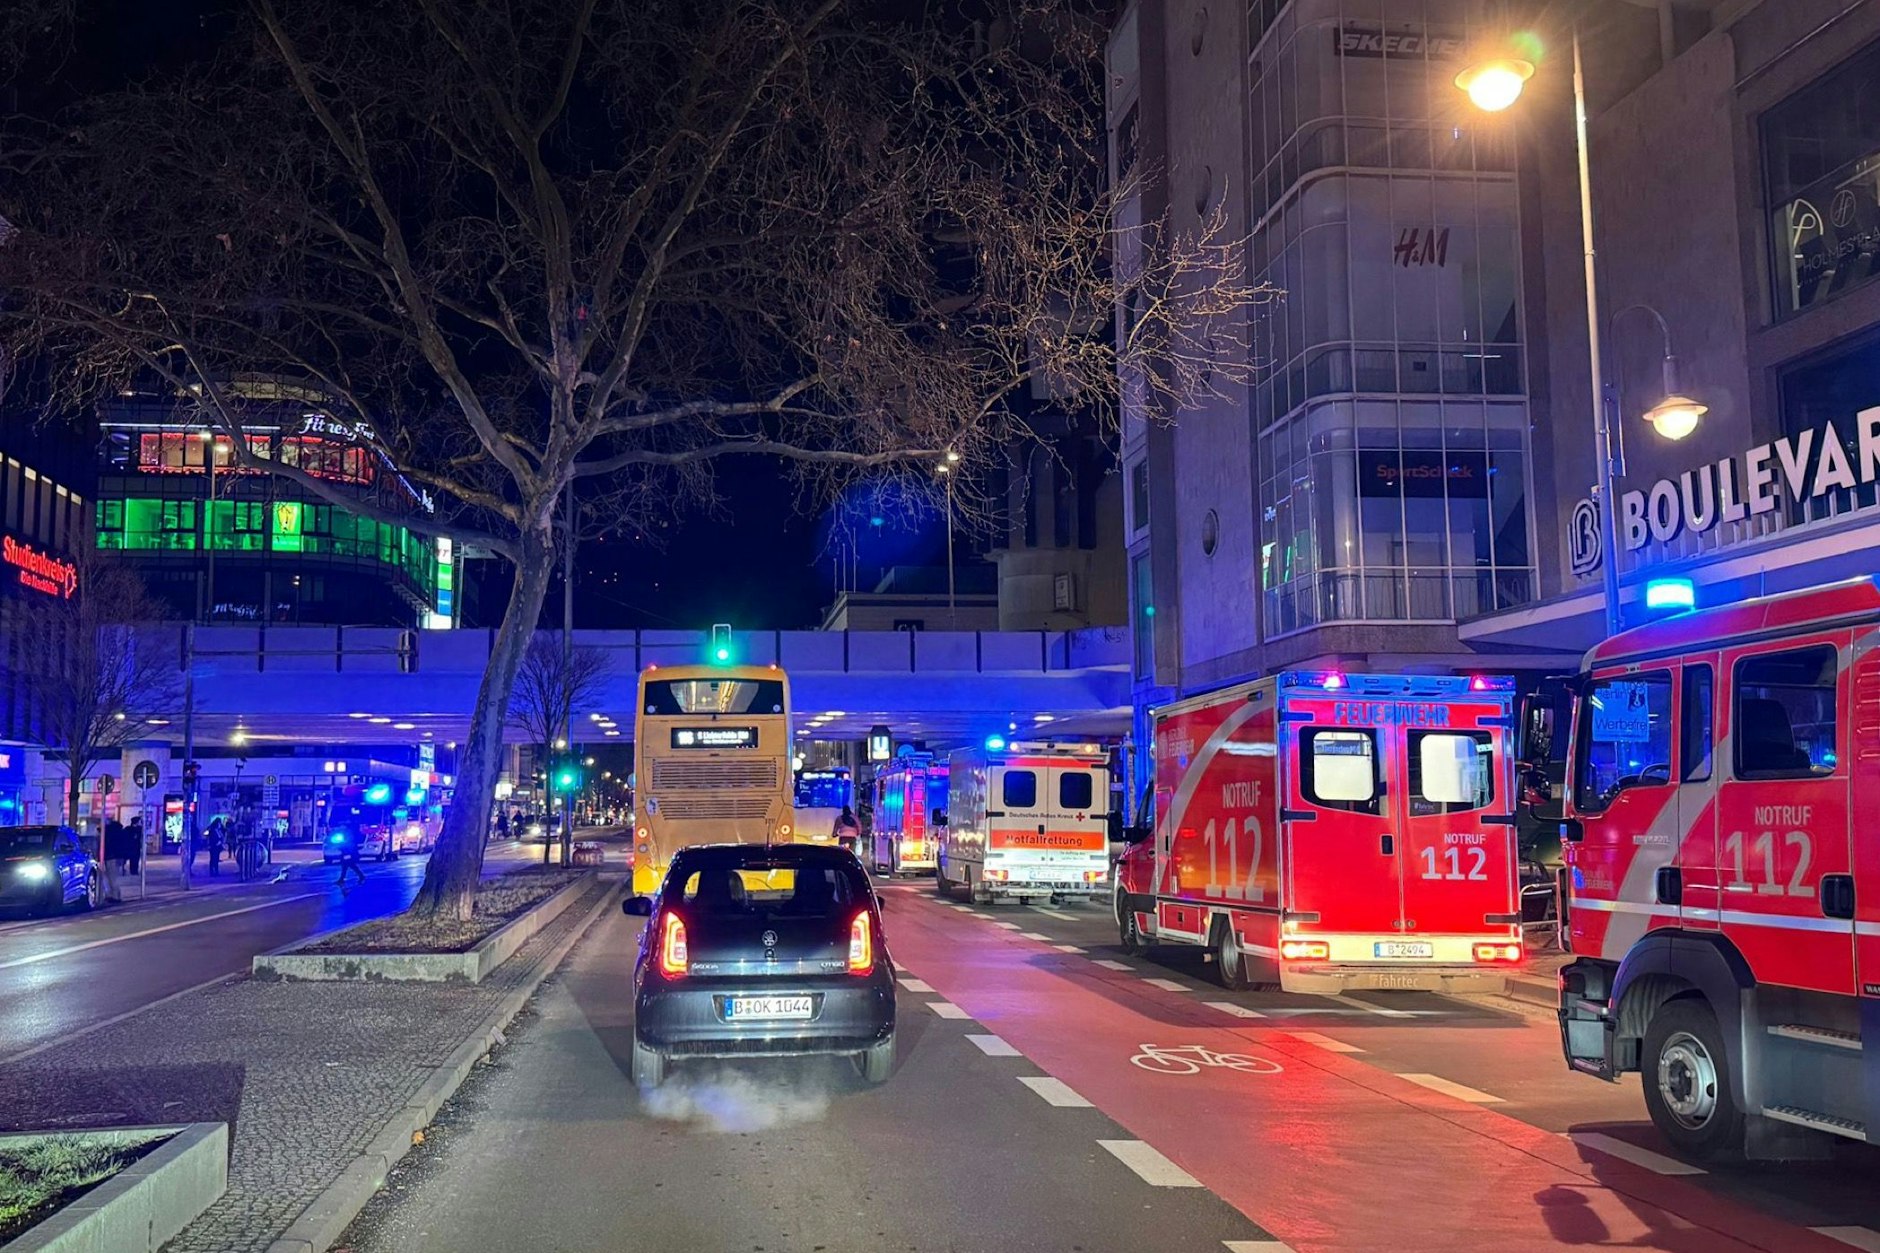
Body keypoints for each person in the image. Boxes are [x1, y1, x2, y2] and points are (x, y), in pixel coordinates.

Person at [102, 816, 125, 903]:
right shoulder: (120, 832)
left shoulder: (109, 833)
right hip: (117, 857)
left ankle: (114, 896)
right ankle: (115, 895)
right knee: (113, 877)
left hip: (110, 857)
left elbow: (107, 845)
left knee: (111, 877)